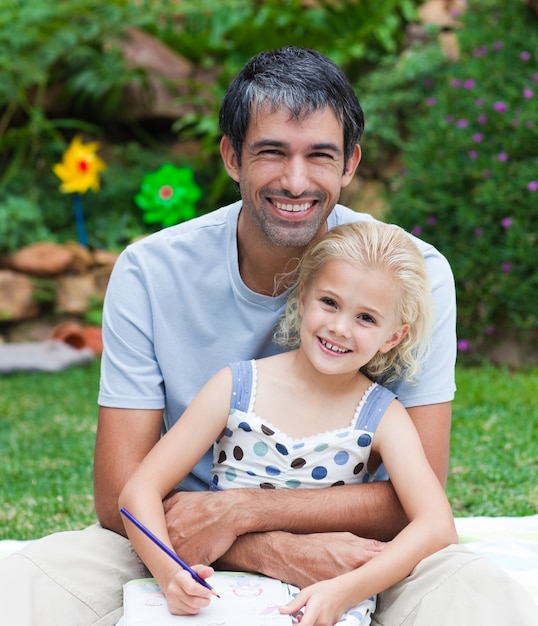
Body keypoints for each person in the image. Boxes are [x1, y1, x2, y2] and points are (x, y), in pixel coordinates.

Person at [1, 46, 536, 626]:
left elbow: (420, 501)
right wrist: (262, 547)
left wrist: (246, 511)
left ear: (350, 164)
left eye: (320, 155)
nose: (296, 180)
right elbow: (120, 498)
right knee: (25, 589)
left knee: (478, 598)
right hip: (175, 539)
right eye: (271, 152)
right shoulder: (150, 272)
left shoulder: (411, 273)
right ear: (232, 156)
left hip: (361, 552)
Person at [118, 221, 458, 625]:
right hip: (217, 594)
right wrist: (170, 572)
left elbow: (437, 526)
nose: (339, 327)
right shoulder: (237, 386)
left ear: (393, 337)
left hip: (326, 600)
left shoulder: (383, 416)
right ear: (303, 295)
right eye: (329, 302)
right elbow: (139, 489)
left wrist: (347, 589)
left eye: (366, 318)